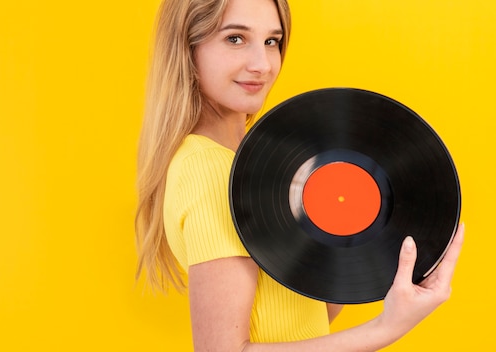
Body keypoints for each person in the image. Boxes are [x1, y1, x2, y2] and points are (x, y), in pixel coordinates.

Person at [134, 0, 465, 350]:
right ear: (187, 48)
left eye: (272, 41)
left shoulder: (251, 164)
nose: (262, 64)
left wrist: (356, 245)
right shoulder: (211, 169)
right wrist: (387, 327)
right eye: (235, 39)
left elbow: (300, 322)